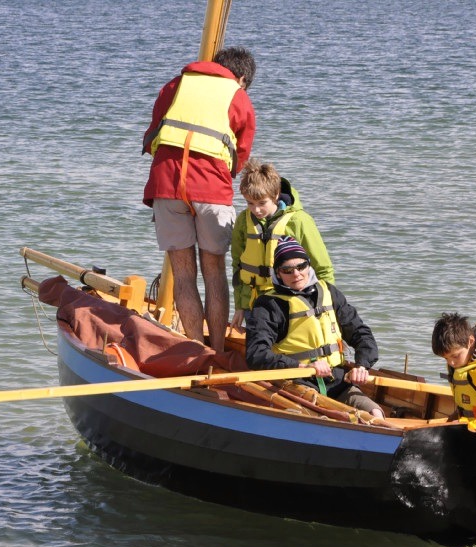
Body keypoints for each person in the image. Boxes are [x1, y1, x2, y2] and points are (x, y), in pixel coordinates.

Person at [141, 46, 257, 353]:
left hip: (166, 184)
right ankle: (217, 351)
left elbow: (154, 131)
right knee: (214, 271)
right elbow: (241, 154)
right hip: (211, 188)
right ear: (241, 77)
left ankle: (195, 349)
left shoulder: (175, 85)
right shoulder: (238, 96)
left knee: (183, 273)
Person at [246, 236, 383, 418]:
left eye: (301, 266)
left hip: (337, 380)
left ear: (309, 266)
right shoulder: (268, 305)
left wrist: (362, 366)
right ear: (277, 273)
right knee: (325, 417)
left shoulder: (329, 292)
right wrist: (300, 366)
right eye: (287, 270)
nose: (296, 274)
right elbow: (256, 353)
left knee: (374, 413)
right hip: (296, 381)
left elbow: (361, 334)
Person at [229, 158, 334, 332]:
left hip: (291, 304)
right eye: (250, 203)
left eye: (262, 203)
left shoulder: (299, 221)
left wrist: (328, 308)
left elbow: (323, 268)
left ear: (276, 195)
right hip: (253, 305)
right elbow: (237, 266)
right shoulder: (243, 220)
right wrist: (240, 306)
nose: (256, 210)